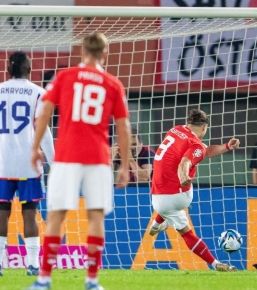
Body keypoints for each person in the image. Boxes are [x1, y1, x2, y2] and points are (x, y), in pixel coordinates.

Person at [26, 32, 131, 290]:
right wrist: (126, 165)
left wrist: (35, 147)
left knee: (56, 215)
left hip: (67, 155)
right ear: (105, 53)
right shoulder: (113, 84)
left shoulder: (65, 76)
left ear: (82, 51)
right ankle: (92, 281)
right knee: (96, 215)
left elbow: (45, 112)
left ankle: (44, 280)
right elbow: (123, 127)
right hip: (98, 157)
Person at [0, 51, 55, 277]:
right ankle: (32, 266)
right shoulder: (39, 93)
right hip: (29, 165)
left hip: (2, 164)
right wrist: (54, 162)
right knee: (29, 215)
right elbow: (45, 132)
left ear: (7, 71)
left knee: (1, 215)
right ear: (29, 71)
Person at [147, 109, 239, 272]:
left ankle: (157, 224)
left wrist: (226, 146)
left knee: (170, 213)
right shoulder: (195, 144)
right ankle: (216, 264)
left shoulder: (175, 130)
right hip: (179, 195)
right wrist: (184, 177)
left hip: (157, 193)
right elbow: (185, 163)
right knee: (187, 234)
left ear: (188, 123)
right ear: (204, 127)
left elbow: (205, 151)